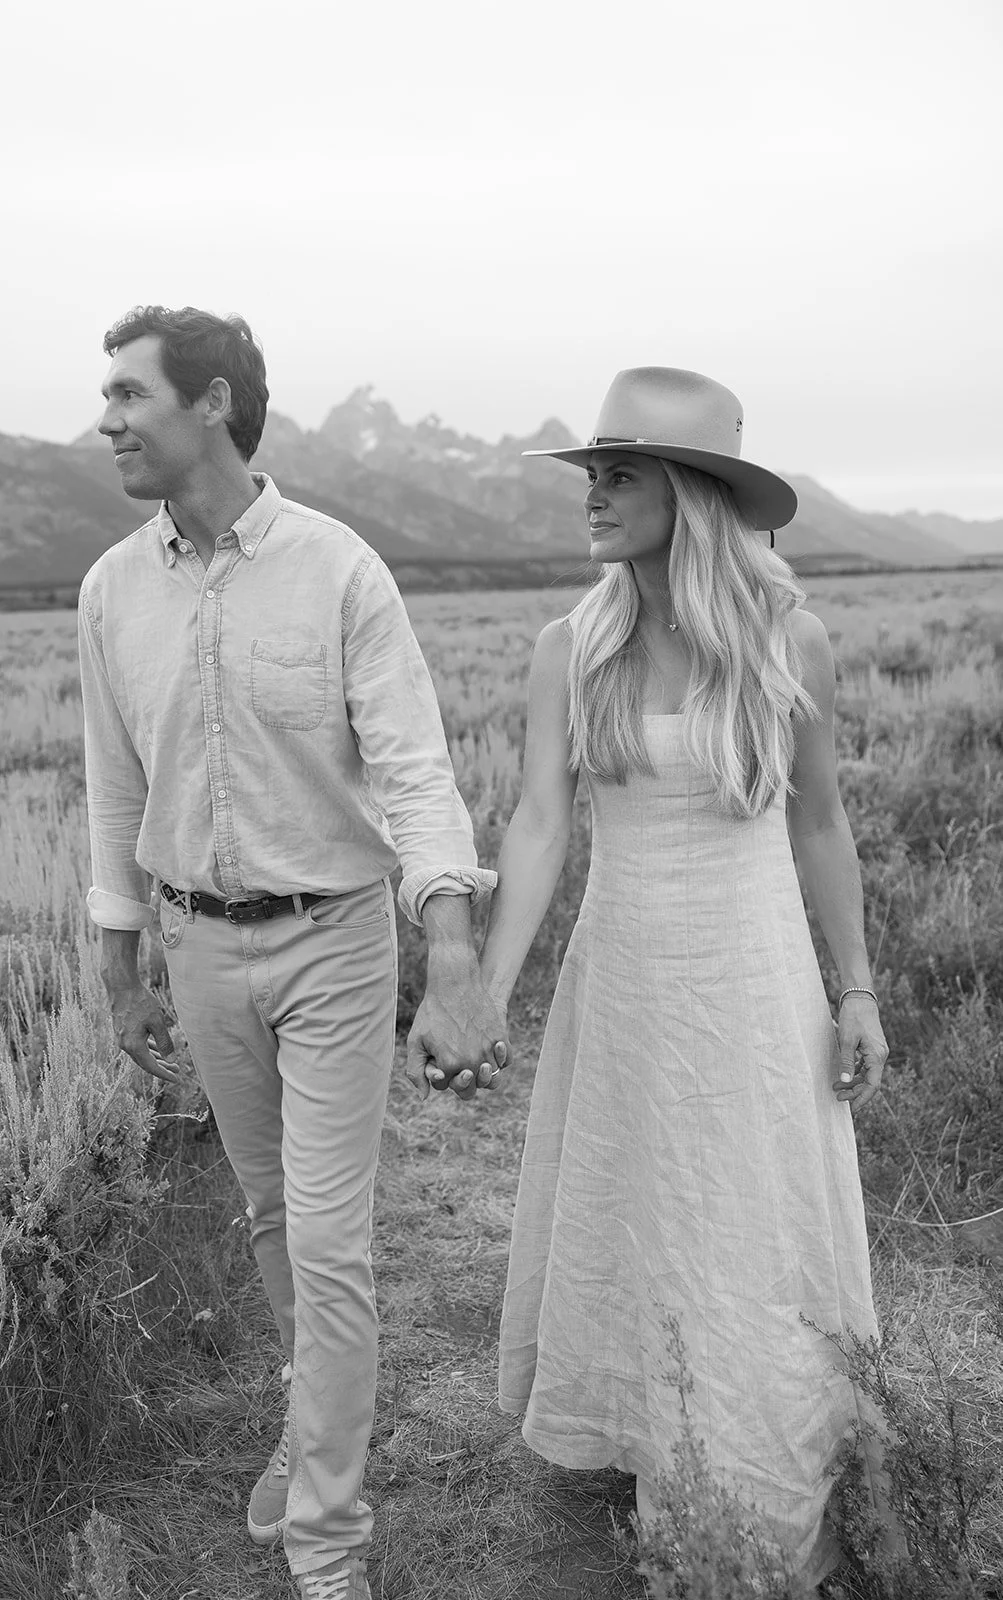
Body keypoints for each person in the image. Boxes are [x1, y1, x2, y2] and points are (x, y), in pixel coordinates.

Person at [77, 305, 506, 1600]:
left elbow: (415, 769)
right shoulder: (109, 590)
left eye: (127, 395)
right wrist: (117, 957)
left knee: (326, 1243)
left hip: (331, 944)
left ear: (211, 402)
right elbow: (111, 789)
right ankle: (304, 1409)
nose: (105, 421)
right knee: (270, 1221)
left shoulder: (339, 570)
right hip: (199, 950)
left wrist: (450, 949)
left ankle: (325, 1542)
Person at [455, 367, 894, 1588]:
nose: (591, 493)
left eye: (619, 473)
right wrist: (489, 987)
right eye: (592, 472)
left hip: (751, 978)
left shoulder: (783, 634)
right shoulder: (569, 644)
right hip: (628, 972)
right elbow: (539, 825)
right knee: (642, 1203)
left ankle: (759, 1478)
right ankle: (656, 1435)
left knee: (747, 1215)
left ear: (689, 493)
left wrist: (852, 986)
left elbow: (818, 822)